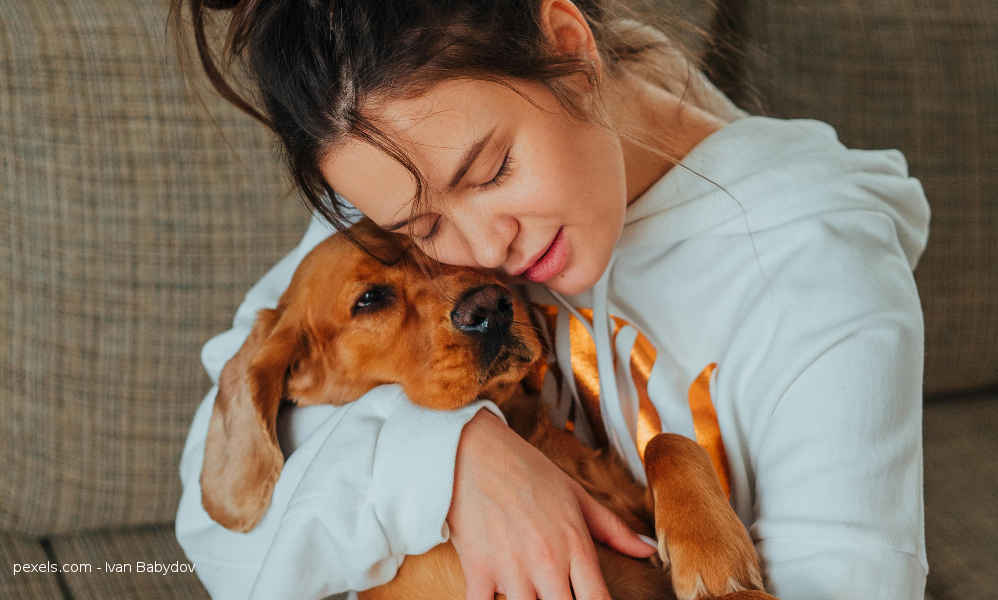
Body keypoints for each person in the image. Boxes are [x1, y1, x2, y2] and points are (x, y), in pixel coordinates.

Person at [170, 1, 931, 599]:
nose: (481, 251)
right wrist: (453, 463)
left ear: (568, 44)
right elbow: (219, 527)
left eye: (494, 169)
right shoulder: (396, 185)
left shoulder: (821, 264)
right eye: (423, 225)